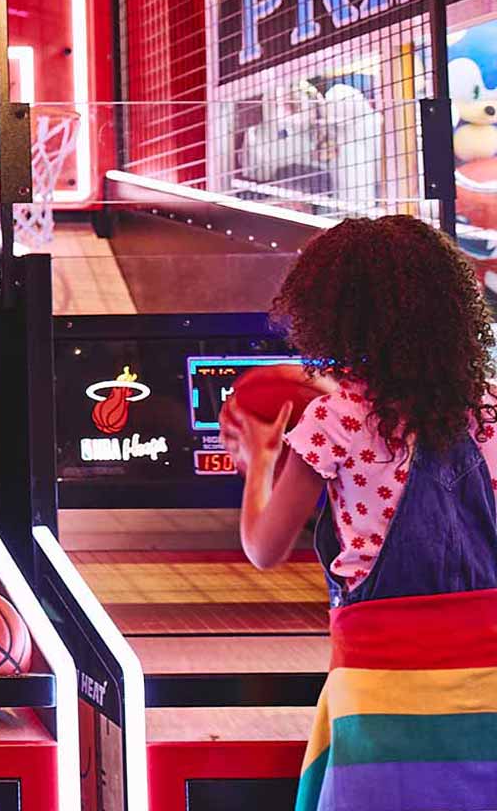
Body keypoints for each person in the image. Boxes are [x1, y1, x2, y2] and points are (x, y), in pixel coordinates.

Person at [224, 214, 497, 809]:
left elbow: (264, 549)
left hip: (382, 684)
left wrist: (261, 460)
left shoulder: (335, 420)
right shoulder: (491, 407)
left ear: (330, 317)